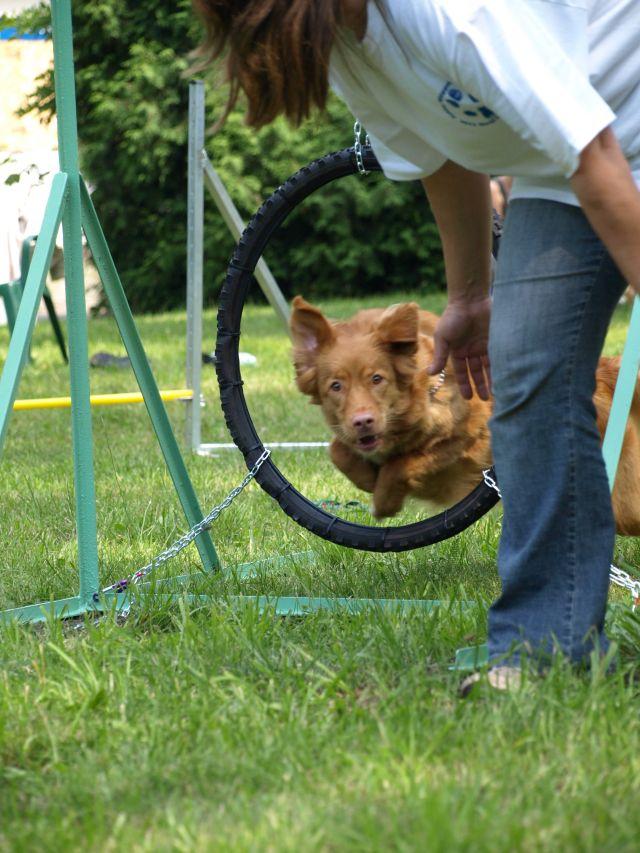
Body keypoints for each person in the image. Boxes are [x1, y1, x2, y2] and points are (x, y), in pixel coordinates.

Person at [192, 0, 640, 686]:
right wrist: (470, 296)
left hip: (606, 134)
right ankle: (550, 647)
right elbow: (440, 151)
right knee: (526, 377)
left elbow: (593, 146)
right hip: (563, 171)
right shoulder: (345, 48)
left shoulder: (454, 13)